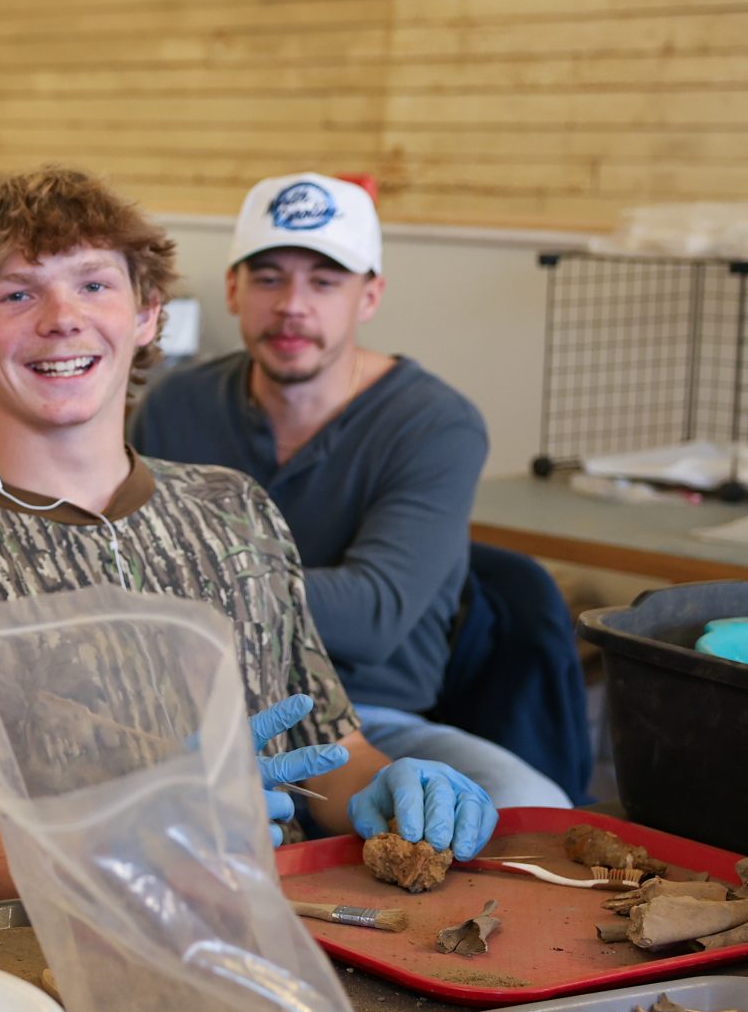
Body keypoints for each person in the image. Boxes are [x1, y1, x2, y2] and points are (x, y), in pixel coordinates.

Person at [0, 165, 498, 912]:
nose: (61, 317)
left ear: (149, 315)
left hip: (269, 932)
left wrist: (385, 786)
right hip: (51, 957)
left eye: (93, 285)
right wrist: (130, 839)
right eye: (17, 293)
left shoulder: (234, 512)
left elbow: (328, 753)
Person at [129, 172, 567, 807]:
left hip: (372, 723)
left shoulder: (434, 424)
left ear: (369, 296)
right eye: (269, 277)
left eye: (325, 281)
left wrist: (186, 579)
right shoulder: (178, 403)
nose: (292, 306)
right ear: (233, 288)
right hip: (192, 712)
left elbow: (374, 615)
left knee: (534, 808)